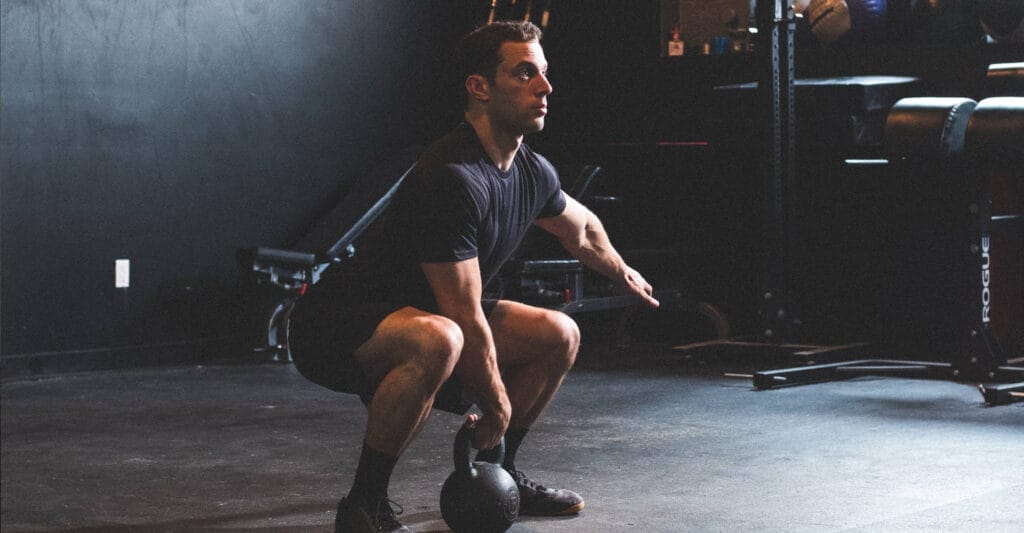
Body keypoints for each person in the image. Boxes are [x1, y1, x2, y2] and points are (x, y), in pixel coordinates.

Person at [288, 20, 659, 533]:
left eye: (545, 73)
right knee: (442, 337)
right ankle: (364, 505)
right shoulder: (452, 176)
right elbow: (461, 311)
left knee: (559, 333)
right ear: (479, 87)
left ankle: (501, 479)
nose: (545, 87)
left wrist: (623, 273)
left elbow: (584, 230)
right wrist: (495, 404)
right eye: (525, 73)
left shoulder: (531, 170)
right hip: (336, 324)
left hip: (433, 315)